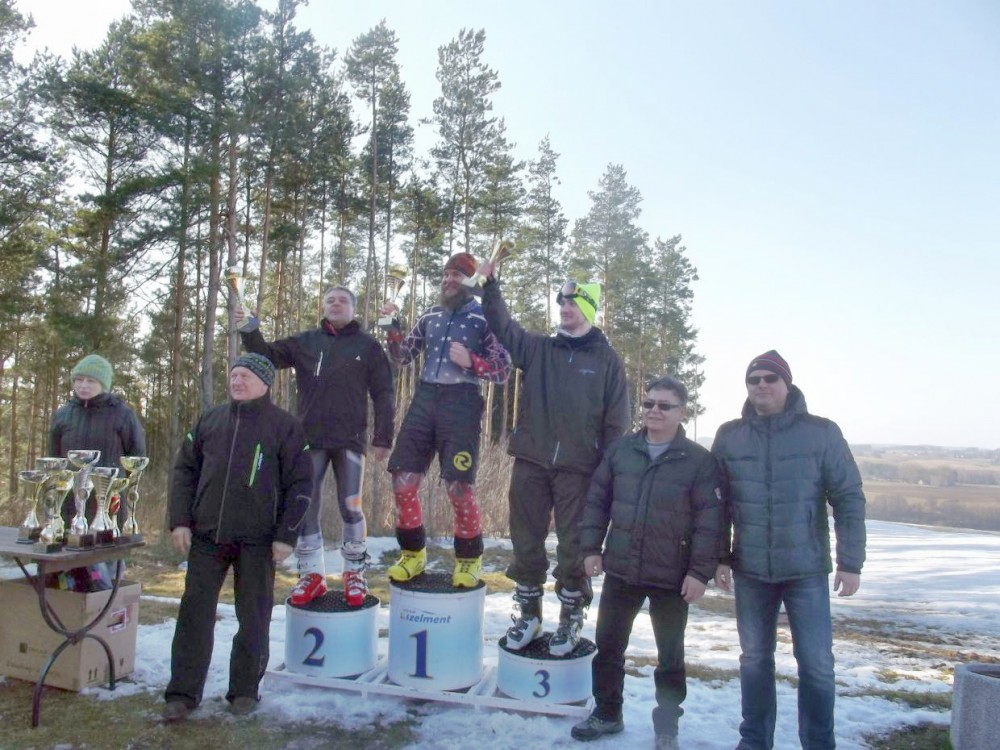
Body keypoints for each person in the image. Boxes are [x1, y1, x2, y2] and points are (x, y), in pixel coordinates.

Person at [712, 350, 867, 750]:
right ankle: (754, 741)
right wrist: (719, 556)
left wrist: (851, 562)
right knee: (754, 660)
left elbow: (848, 497)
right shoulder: (730, 435)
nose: (761, 385)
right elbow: (717, 503)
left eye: (770, 378)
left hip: (805, 569)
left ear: (787, 384)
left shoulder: (821, 432)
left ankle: (818, 743)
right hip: (750, 568)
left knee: (816, 665)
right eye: (754, 379)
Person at [479, 262, 630, 655]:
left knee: (575, 545)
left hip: (580, 469)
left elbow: (617, 422)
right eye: (561, 302)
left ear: (589, 309)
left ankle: (570, 617)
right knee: (525, 538)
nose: (564, 308)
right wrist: (491, 286)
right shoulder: (539, 349)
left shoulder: (607, 361)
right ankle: (529, 614)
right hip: (531, 459)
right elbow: (503, 327)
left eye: (572, 303)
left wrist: (609, 470)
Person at [572, 377, 724, 749]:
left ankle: (667, 727)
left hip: (673, 576)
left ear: (682, 412)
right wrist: (591, 548)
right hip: (622, 569)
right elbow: (597, 502)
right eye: (649, 403)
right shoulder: (621, 451)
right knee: (608, 647)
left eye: (664, 405)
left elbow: (710, 521)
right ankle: (608, 713)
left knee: (670, 657)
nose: (654, 410)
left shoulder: (698, 461)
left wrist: (699, 572)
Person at [164, 353, 311, 721]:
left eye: (245, 376)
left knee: (254, 617)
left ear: (265, 383)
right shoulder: (210, 420)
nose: (237, 381)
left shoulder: (285, 426)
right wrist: (180, 521)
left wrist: (286, 535)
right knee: (194, 614)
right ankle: (182, 694)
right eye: (233, 375)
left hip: (259, 540)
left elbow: (301, 485)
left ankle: (244, 691)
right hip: (207, 535)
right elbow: (184, 472)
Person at [237, 286, 394, 607]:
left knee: (351, 506)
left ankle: (355, 574)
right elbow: (266, 356)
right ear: (323, 308)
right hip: (310, 440)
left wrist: (383, 437)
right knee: (306, 505)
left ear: (353, 308)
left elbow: (384, 393)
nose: (336, 304)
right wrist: (249, 330)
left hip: (350, 441)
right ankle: (311, 575)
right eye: (330, 300)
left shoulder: (368, 346)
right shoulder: (305, 341)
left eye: (343, 300)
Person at [379, 252, 511, 587]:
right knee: (402, 479)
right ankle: (412, 554)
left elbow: (503, 370)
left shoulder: (484, 318)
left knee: (458, 486)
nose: (449, 280)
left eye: (457, 275)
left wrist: (472, 361)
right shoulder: (431, 315)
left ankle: (468, 559)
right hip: (425, 399)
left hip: (462, 402)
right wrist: (392, 328)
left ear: (470, 280)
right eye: (445, 274)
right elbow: (402, 357)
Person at [49, 353, 146, 526]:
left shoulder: (123, 415)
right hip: (68, 504)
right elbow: (54, 458)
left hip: (108, 505)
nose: (84, 385)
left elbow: (136, 458)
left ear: (103, 384)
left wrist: (117, 486)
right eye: (79, 380)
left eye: (91, 381)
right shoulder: (62, 415)